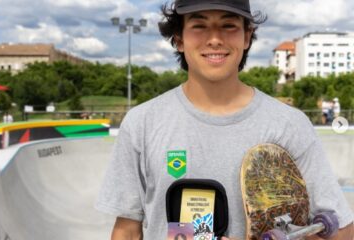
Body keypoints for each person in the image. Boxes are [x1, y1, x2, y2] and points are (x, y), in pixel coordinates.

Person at [95, 0, 354, 239]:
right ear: (179, 39)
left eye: (229, 25)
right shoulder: (141, 123)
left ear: (247, 37)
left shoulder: (290, 125)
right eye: (199, 25)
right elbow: (127, 230)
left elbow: (342, 231)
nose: (215, 39)